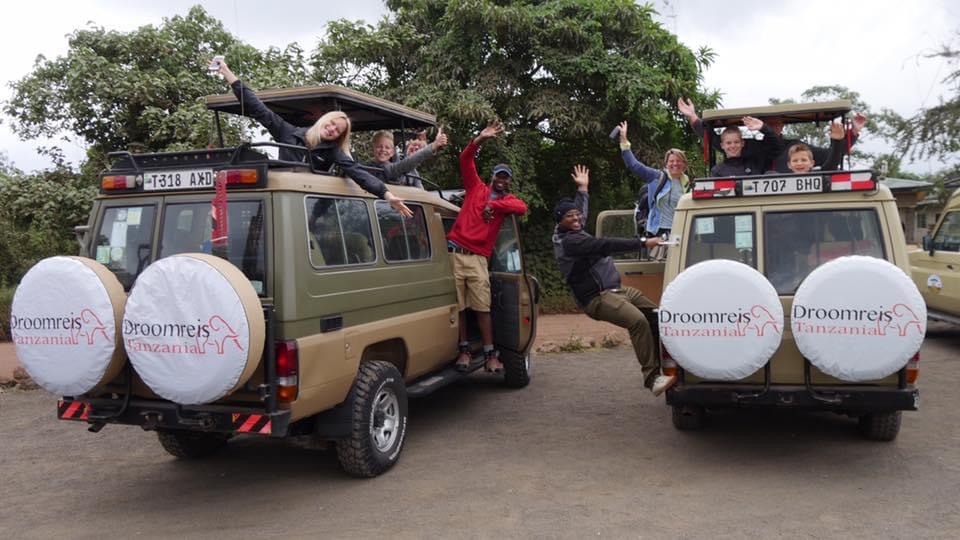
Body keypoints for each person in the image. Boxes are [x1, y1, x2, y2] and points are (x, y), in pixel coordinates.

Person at [216, 59, 412, 217]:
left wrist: (387, 195)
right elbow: (258, 108)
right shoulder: (288, 132)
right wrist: (228, 74)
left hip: (309, 206)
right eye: (332, 124)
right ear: (323, 121)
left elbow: (359, 173)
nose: (333, 129)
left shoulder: (332, 152)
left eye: (338, 131)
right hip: (280, 199)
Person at [553, 165, 676, 396]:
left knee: (658, 315)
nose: (577, 218)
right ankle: (652, 378)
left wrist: (583, 189)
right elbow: (605, 245)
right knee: (638, 321)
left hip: (618, 291)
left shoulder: (574, 229)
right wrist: (643, 242)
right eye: (570, 217)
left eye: (576, 215)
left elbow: (581, 212)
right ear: (561, 222)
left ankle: (671, 366)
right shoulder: (570, 243)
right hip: (597, 298)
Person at [447, 121, 528, 373]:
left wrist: (494, 207)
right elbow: (465, 158)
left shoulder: (506, 201)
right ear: (492, 176)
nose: (501, 180)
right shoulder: (475, 188)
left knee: (483, 307)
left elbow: (522, 208)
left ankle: (490, 353)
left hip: (478, 258)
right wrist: (480, 138)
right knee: (458, 306)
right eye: (499, 175)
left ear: (508, 182)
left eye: (506, 178)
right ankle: (463, 351)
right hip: (454, 252)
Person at [678, 97, 867, 173]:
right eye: (769, 124)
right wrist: (694, 118)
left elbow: (832, 156)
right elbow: (721, 143)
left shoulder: (798, 147)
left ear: (782, 126)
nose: (773, 126)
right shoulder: (751, 145)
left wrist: (853, 133)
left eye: (777, 123)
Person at [617, 121, 689, 259]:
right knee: (657, 271)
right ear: (666, 164)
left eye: (679, 161)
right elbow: (634, 165)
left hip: (680, 232)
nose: (675, 164)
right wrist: (624, 141)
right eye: (671, 161)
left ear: (684, 164)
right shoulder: (656, 177)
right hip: (658, 232)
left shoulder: (687, 184)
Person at [367, 128, 448, 188]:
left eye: (387, 148)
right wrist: (434, 145)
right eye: (379, 147)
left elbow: (421, 191)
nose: (383, 150)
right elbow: (408, 162)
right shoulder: (385, 168)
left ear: (392, 152)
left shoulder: (413, 172)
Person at [709, 117, 778, 177]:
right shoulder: (717, 171)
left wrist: (763, 127)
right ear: (722, 146)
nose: (733, 146)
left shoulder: (755, 164)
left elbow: (776, 146)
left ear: (742, 143)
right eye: (729, 143)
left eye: (736, 142)